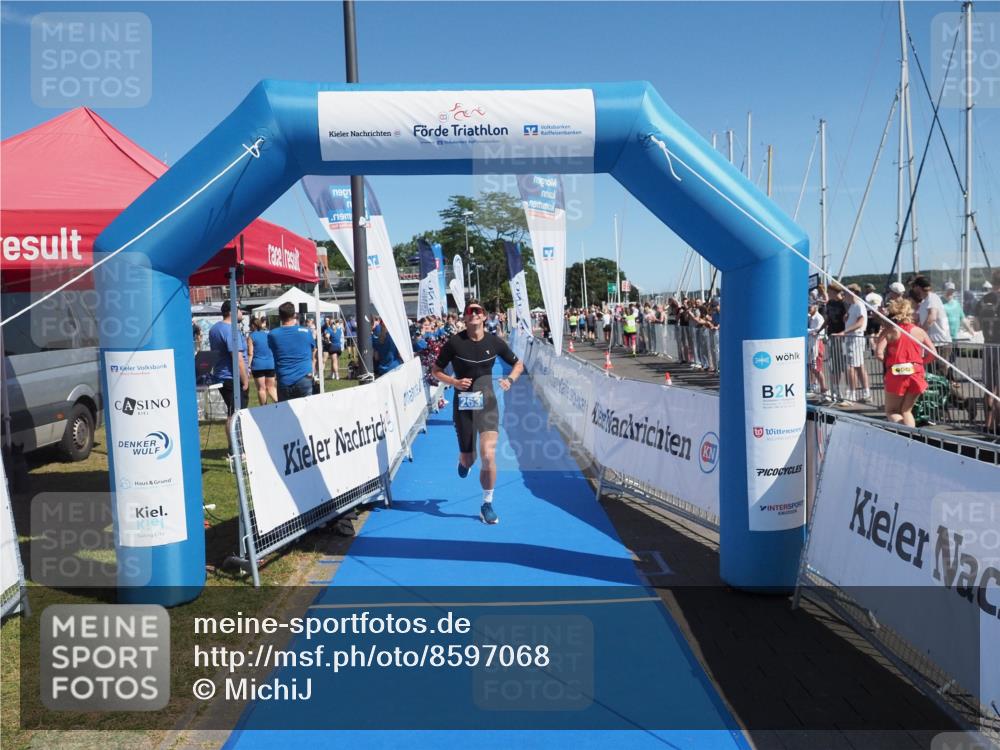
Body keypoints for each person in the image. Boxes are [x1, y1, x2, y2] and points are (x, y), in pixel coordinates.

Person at [431, 300, 525, 525]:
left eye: (478, 311)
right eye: (469, 312)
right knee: (469, 459)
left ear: (484, 317)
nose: (473, 314)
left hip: (488, 403)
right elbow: (435, 370)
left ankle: (487, 504)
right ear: (464, 318)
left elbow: (518, 364)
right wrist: (454, 381)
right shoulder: (455, 343)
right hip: (463, 405)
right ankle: (463, 461)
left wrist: (510, 380)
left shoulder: (494, 342)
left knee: (489, 455)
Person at [875, 297, 936, 428]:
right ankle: (911, 437)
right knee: (906, 411)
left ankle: (906, 434)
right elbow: (933, 354)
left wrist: (888, 362)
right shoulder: (920, 331)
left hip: (897, 372)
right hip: (916, 372)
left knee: (892, 411)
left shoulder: (889, 331)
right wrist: (920, 363)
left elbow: (879, 353)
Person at [208, 300, 249, 453]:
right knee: (236, 414)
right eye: (240, 310)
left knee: (232, 413)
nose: (242, 313)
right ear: (232, 312)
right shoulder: (230, 330)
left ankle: (235, 448)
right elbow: (237, 358)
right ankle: (236, 450)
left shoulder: (215, 328)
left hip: (222, 376)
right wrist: (245, 380)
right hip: (232, 377)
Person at [267, 301, 317, 401]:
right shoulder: (306, 332)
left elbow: (273, 350)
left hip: (284, 379)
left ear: (280, 317)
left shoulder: (273, 334)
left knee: (286, 414)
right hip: (304, 377)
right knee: (307, 412)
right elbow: (313, 350)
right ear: (294, 315)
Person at [832, 284, 870, 404]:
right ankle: (866, 392)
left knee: (851, 367)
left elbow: (860, 322)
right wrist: (846, 319)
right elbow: (853, 319)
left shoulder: (858, 305)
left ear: (853, 292)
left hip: (855, 338)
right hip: (852, 338)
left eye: (846, 292)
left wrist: (844, 332)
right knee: (858, 366)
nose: (844, 295)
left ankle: (851, 395)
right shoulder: (853, 306)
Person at [248, 317, 277, 405]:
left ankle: (264, 408)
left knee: (261, 388)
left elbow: (250, 353)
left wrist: (248, 366)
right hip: (270, 364)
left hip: (258, 365)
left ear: (253, 325)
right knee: (271, 387)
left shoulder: (251, 336)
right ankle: (279, 403)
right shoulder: (267, 334)